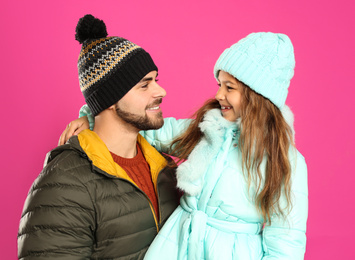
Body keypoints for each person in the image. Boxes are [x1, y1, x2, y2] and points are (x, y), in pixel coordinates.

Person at [62, 32, 308, 259]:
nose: (219, 95)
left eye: (229, 87)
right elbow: (149, 131)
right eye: (219, 85)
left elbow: (286, 243)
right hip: (177, 245)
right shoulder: (208, 128)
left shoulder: (285, 161)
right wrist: (94, 116)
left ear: (258, 96)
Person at [17, 14, 180, 260]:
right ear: (111, 100)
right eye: (145, 85)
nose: (161, 91)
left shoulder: (163, 167)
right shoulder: (65, 183)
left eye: (156, 80)